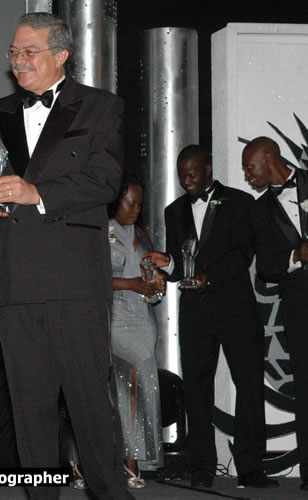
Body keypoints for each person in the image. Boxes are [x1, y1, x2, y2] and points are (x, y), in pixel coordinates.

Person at [0, 12, 131, 500]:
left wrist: (36, 191)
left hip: (75, 280)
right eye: (13, 52)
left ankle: (111, 494)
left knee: (90, 404)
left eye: (28, 52)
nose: (17, 61)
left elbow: (104, 182)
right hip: (16, 282)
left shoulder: (100, 107)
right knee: (29, 410)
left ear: (61, 54)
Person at [144, 145, 276, 489]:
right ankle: (203, 465)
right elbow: (178, 265)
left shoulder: (239, 202)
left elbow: (242, 255)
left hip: (236, 310)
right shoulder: (174, 211)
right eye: (181, 175)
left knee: (248, 385)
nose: (186, 181)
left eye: (191, 174)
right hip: (195, 314)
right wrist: (166, 262)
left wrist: (209, 278)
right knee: (196, 389)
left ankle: (250, 466)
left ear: (208, 169)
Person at [242, 136, 308, 491]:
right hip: (300, 308)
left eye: (249, 167)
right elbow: (266, 269)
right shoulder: (258, 211)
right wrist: (296, 256)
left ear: (269, 158)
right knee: (304, 388)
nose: (247, 175)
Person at [108, 175, 164, 488]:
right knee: (122, 387)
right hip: (113, 317)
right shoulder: (101, 232)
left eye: (140, 204)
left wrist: (155, 287)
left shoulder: (142, 235)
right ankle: (126, 461)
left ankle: (135, 457)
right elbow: (92, 279)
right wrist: (132, 284)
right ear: (116, 200)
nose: (136, 209)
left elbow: (152, 278)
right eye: (131, 203)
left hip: (143, 318)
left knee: (141, 388)